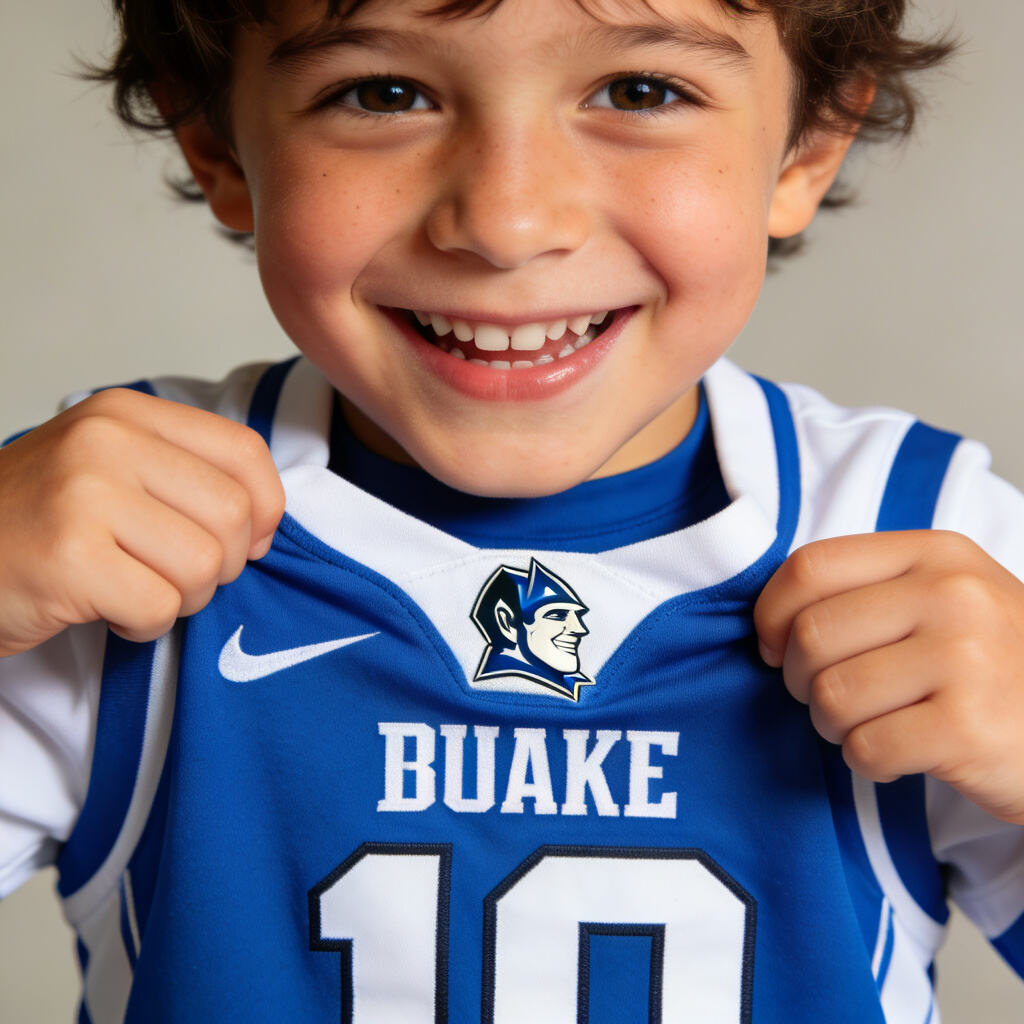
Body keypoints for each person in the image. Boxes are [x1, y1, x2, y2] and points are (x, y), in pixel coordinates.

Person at [1, 0, 1023, 1020]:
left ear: (806, 146)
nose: (506, 220)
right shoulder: (104, 536)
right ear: (217, 144)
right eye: (383, 93)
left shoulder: (929, 543)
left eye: (640, 91)